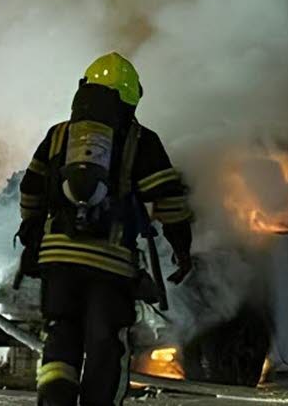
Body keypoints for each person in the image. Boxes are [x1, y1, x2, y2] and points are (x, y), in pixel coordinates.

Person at [17, 52, 194, 406]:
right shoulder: (141, 139)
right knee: (105, 343)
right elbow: (169, 201)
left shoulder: (59, 135)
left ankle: (54, 399)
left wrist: (33, 234)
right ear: (131, 95)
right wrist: (182, 248)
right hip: (110, 265)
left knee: (61, 333)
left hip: (58, 260)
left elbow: (30, 190)